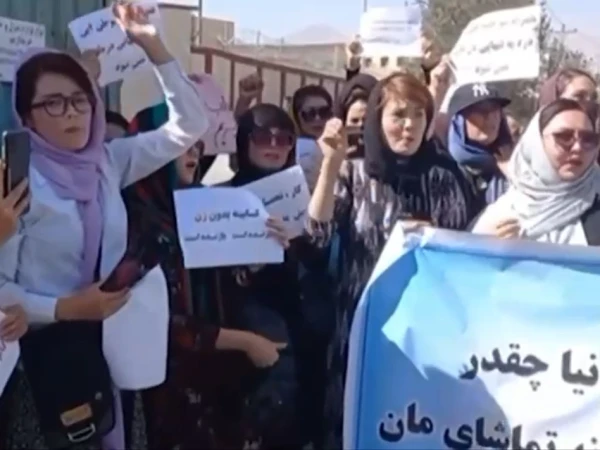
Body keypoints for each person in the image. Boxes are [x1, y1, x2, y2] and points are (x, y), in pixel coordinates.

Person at [0, 3, 208, 448]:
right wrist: (66, 308)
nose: (72, 113)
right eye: (53, 103)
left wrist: (151, 44)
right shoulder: (16, 185)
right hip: (41, 367)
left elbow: (190, 125)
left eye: (81, 99)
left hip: (109, 355)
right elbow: (0, 291)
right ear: (27, 115)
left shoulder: (107, 163)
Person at [307, 72, 472, 448]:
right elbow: (317, 235)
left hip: (425, 333)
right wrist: (330, 165)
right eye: (398, 114)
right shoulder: (354, 172)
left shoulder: (446, 177)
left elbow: (464, 253)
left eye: (418, 114)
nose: (409, 125)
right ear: (376, 119)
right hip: (361, 327)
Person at [124, 102, 294, 450]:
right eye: (180, 145)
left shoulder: (197, 208)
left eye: (197, 146)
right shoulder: (134, 223)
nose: (192, 155)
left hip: (212, 387)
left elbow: (227, 282)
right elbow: (158, 323)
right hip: (163, 390)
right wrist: (245, 342)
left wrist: (263, 249)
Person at [472, 98, 600, 244]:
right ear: (536, 143)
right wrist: (501, 250)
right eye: (564, 137)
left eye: (588, 139)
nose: (578, 148)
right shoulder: (500, 217)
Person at [445, 82, 514, 214]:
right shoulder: (443, 169)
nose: (490, 117)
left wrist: (514, 175)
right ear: (459, 120)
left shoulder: (517, 164)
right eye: (480, 110)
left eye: (495, 109)